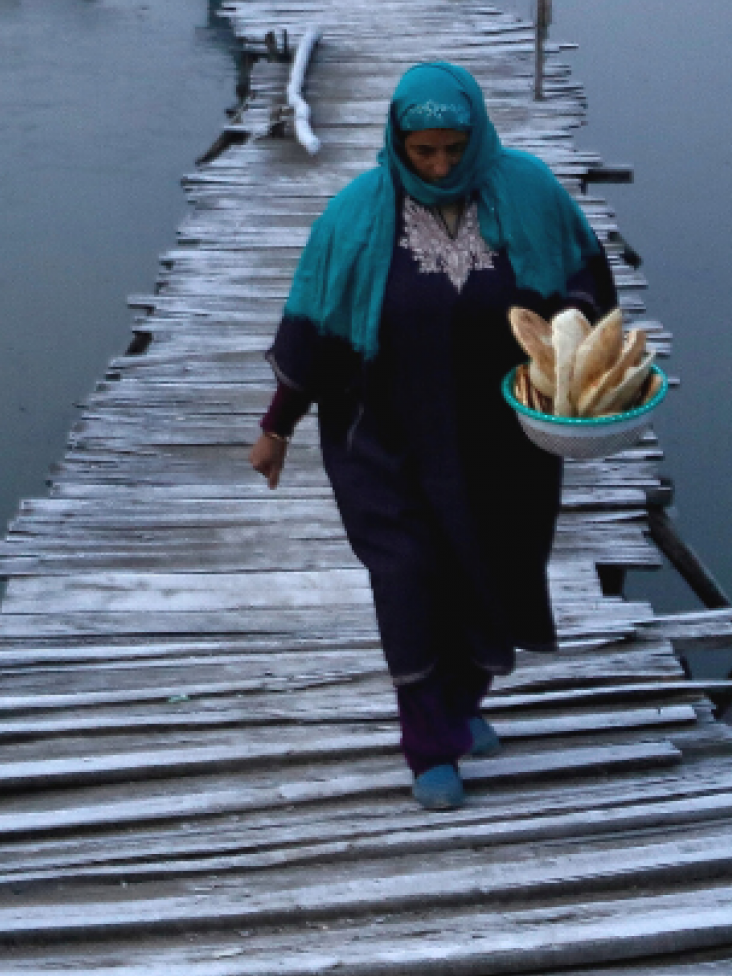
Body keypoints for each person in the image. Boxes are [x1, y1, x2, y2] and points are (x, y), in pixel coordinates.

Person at [250, 62, 615, 810]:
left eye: (455, 148)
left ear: (477, 134)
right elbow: (314, 330)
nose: (442, 166)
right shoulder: (354, 219)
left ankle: (461, 701)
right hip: (384, 438)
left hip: (505, 437)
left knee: (493, 567)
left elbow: (588, 279)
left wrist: (571, 329)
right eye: (425, 152)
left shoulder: (530, 192)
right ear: (398, 143)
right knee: (411, 577)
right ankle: (428, 744)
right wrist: (276, 426)